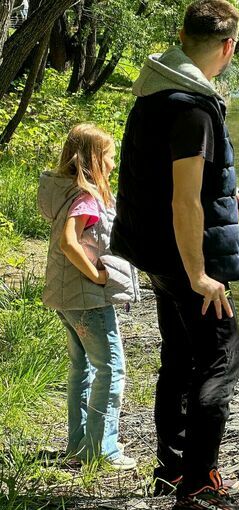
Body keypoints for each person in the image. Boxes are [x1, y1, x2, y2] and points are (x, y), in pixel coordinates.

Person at [110, 1, 239, 509]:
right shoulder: (193, 106)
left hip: (152, 250)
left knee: (178, 359)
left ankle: (170, 469)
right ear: (228, 46)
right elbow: (183, 199)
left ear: (180, 34)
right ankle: (197, 482)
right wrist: (199, 274)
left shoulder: (152, 93)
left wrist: (225, 196)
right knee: (221, 362)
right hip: (184, 262)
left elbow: (167, 181)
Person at [37, 123, 138, 471]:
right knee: (111, 368)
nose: (113, 164)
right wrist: (95, 275)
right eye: (109, 157)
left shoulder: (66, 192)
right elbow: (69, 241)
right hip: (86, 300)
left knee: (82, 368)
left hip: (67, 297)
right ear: (94, 160)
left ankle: (81, 443)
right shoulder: (85, 198)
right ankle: (102, 449)